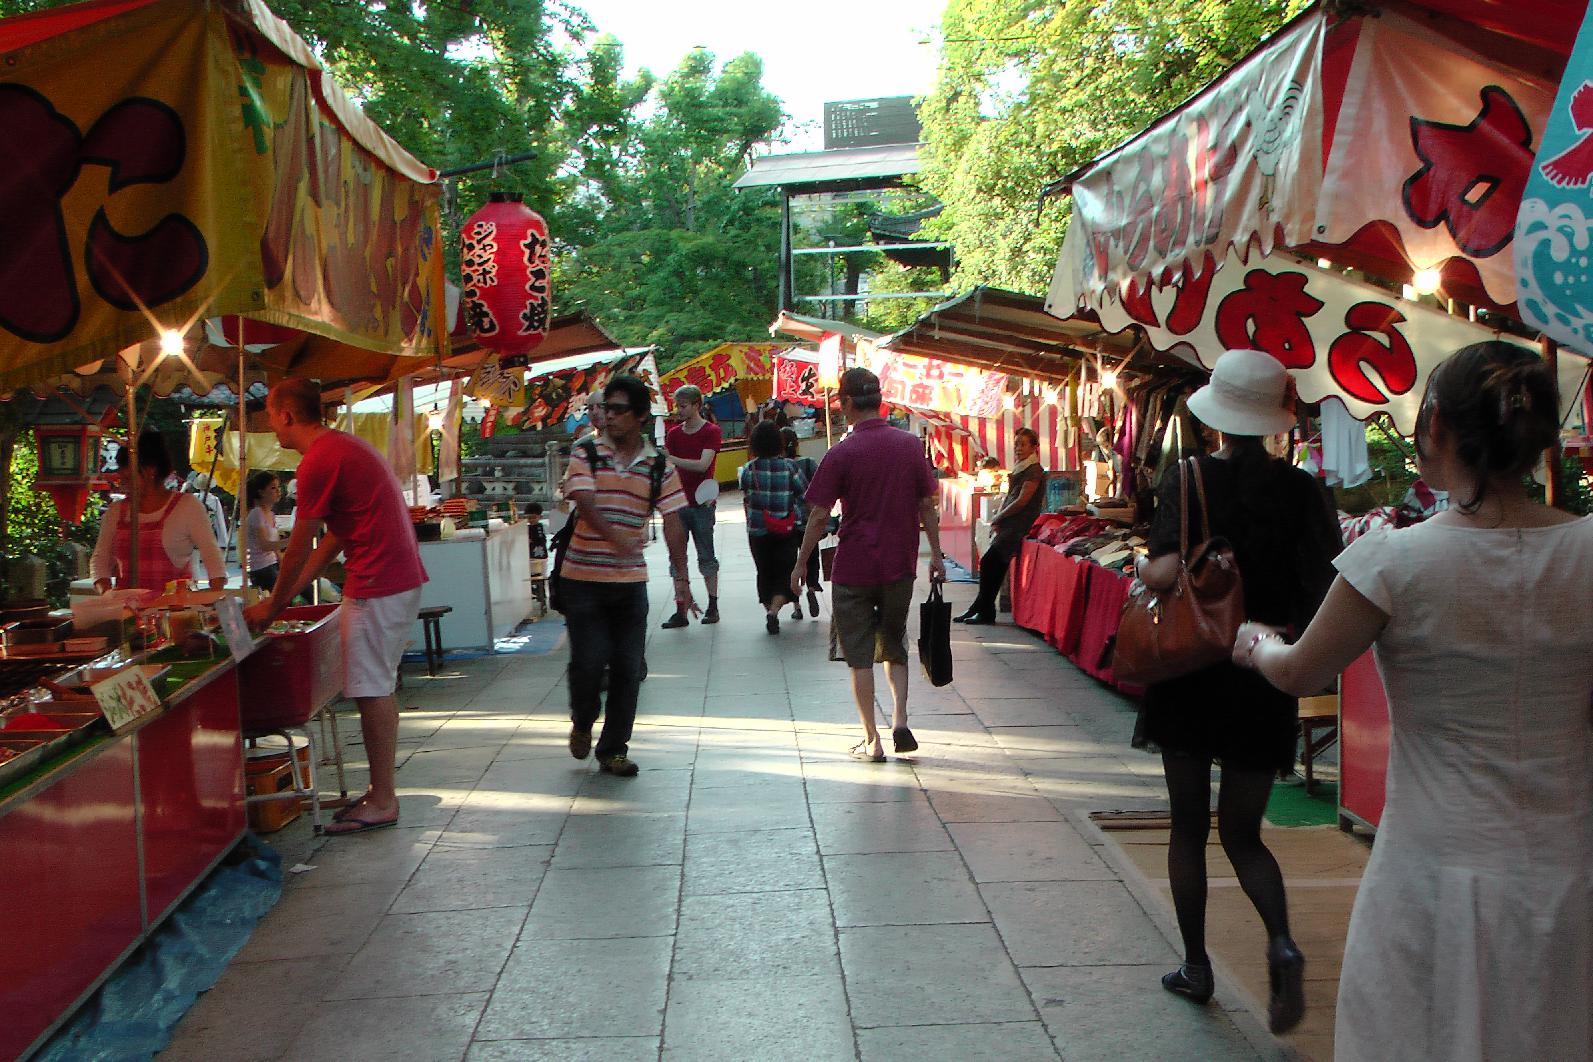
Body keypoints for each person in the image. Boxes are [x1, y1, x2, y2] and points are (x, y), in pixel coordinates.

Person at [1232, 340, 1593, 1059]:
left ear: (1433, 428)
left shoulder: (1392, 561)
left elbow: (1300, 670)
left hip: (1430, 865)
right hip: (1567, 865)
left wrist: (1253, 644)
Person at [1132, 348, 1340, 1034]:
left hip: (1192, 669)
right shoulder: (1305, 490)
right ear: (1275, 418)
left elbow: (1164, 575)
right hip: (1263, 667)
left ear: (1216, 416)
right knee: (1245, 833)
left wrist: (1143, 561)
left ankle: (1195, 967)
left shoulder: (1186, 478)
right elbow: (1324, 584)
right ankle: (1280, 941)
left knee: (1188, 827)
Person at [242, 378, 427, 837]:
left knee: (371, 688)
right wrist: (282, 600)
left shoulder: (319, 461)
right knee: (374, 685)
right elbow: (335, 536)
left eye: (269, 413)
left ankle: (383, 799)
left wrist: (271, 608)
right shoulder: (340, 448)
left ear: (286, 415)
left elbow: (299, 546)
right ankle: (380, 792)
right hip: (390, 578)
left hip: (379, 582)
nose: (269, 423)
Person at [792, 367, 945, 762]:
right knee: (895, 644)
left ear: (844, 405)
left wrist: (801, 563)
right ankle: (900, 721)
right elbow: (926, 505)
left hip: (854, 567)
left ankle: (872, 741)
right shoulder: (910, 446)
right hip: (900, 564)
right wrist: (938, 556)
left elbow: (819, 515)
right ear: (881, 402)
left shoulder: (841, 453)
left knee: (858, 656)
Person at [561, 374, 697, 776]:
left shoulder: (658, 466)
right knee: (587, 662)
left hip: (629, 584)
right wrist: (614, 537)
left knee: (627, 667)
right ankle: (583, 720)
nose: (609, 416)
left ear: (639, 416)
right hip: (582, 578)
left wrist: (681, 579)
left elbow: (674, 518)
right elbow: (583, 500)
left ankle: (613, 749)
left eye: (619, 410)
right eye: (607, 408)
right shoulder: (585, 451)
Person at [92, 432, 226, 593]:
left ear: (150, 471)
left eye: (127, 479)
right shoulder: (116, 511)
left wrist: (215, 598)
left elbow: (213, 558)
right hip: (128, 612)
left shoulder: (187, 506)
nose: (122, 485)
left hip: (175, 610)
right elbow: (100, 559)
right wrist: (107, 594)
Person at [956, 427, 1047, 624]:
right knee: (992, 565)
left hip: (1019, 525)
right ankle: (984, 610)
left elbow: (1022, 501)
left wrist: (999, 517)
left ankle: (980, 608)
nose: (1018, 448)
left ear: (1034, 447)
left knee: (990, 562)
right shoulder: (1021, 467)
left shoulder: (1034, 471)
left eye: (1023, 444)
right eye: (1016, 444)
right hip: (1010, 524)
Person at [661, 384, 722, 628]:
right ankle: (681, 607)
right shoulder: (673, 434)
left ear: (697, 405)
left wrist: (670, 458)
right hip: (677, 502)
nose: (680, 411)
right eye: (678, 406)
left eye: (683, 406)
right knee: (677, 556)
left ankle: (713, 604)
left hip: (700, 501)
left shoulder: (711, 432)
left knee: (706, 553)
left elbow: (702, 464)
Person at [739, 421, 808, 635]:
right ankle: (775, 611)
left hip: (758, 532)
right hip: (785, 530)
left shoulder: (749, 470)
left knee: (764, 572)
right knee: (783, 574)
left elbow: (746, 497)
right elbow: (804, 494)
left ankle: (769, 610)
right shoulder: (789, 467)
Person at [780, 425, 822, 619]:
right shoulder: (808, 463)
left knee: (791, 562)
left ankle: (797, 606)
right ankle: (812, 587)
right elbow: (818, 488)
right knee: (811, 556)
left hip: (787, 521)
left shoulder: (781, 466)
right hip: (808, 521)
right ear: (796, 443)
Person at [244, 470, 287, 592]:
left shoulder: (271, 514)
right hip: (261, 568)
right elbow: (265, 545)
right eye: (273, 488)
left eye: (278, 487)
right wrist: (292, 540)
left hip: (272, 565)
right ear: (261, 492)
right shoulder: (256, 513)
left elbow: (275, 548)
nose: (278, 491)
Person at [186, 472, 230, 554]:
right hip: (209, 536)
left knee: (195, 564)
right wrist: (223, 542)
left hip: (194, 537)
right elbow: (220, 522)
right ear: (210, 486)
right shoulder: (215, 500)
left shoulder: (194, 497)